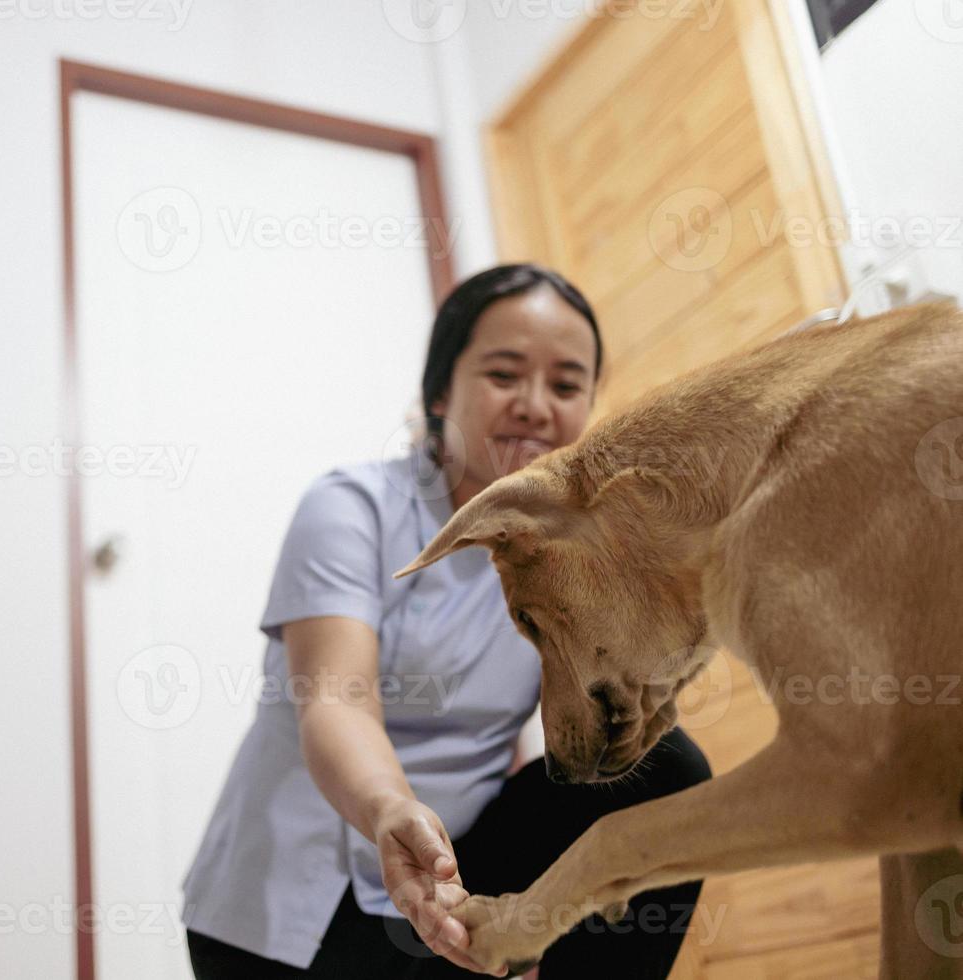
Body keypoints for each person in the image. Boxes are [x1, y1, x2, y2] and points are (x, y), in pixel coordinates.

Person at [180, 264, 713, 978]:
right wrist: (390, 808)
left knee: (665, 766)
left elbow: (558, 739)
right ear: (440, 391)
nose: (533, 405)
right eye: (504, 373)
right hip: (301, 898)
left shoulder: (578, 555)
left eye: (564, 385)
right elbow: (335, 700)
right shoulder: (353, 507)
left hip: (448, 877)